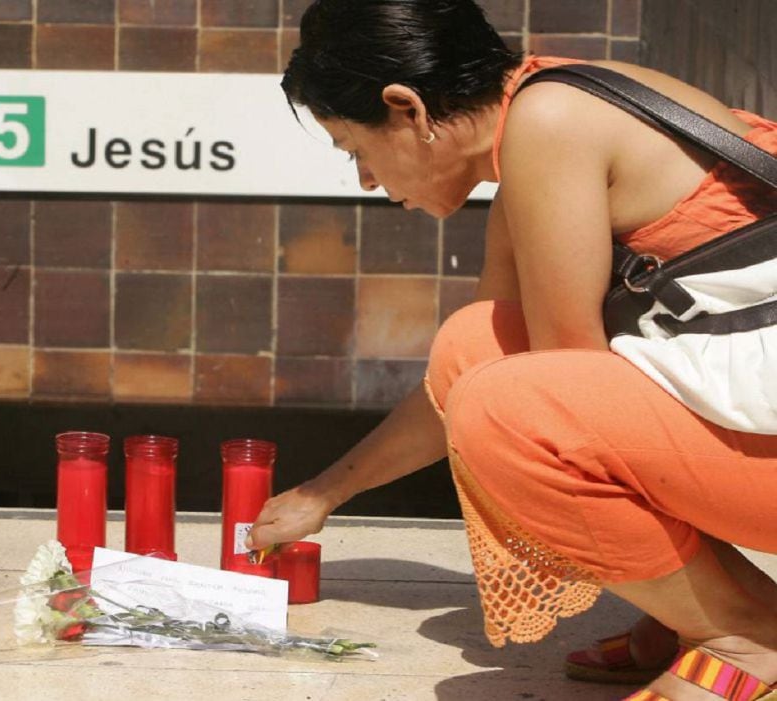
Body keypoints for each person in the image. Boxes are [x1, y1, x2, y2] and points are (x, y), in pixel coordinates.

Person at [244, 1, 777, 699]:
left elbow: (561, 395)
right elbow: (464, 379)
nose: (367, 181)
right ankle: (693, 613)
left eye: (356, 150)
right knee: (478, 347)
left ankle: (747, 630)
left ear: (407, 109)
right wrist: (325, 492)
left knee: (511, 412)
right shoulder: (548, 104)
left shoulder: (551, 125)